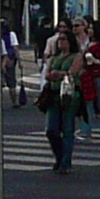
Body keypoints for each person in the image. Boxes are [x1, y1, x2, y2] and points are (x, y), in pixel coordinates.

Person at [39, 28, 83, 173]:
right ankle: (59, 156)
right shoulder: (54, 57)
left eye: (64, 39)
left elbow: (73, 72)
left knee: (67, 129)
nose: (61, 42)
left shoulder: (76, 56)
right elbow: (48, 74)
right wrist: (57, 74)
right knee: (51, 130)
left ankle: (65, 163)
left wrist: (59, 74)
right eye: (59, 39)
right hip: (54, 94)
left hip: (69, 95)